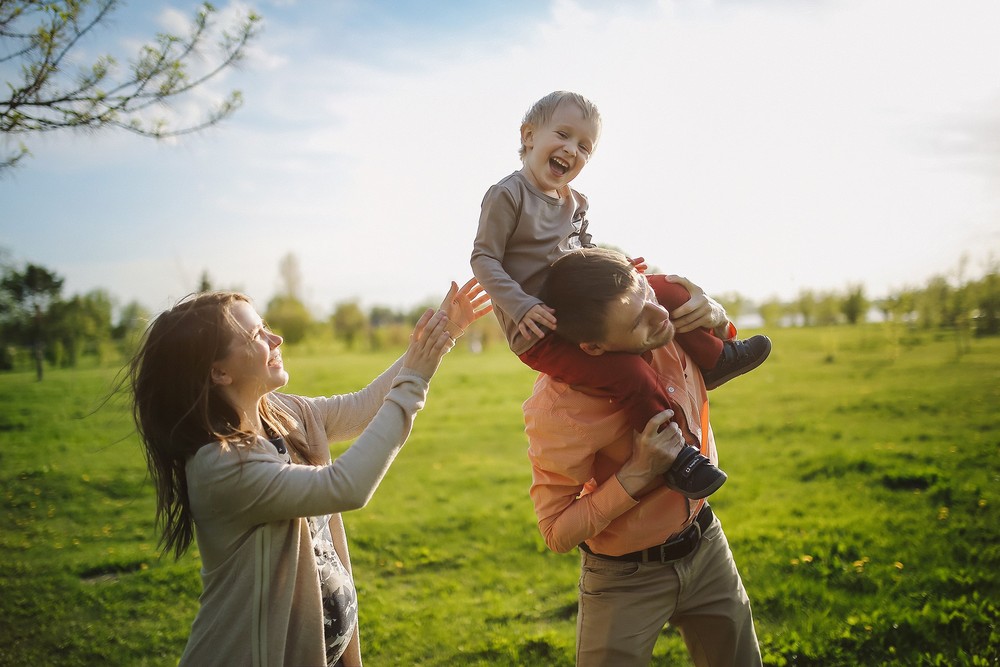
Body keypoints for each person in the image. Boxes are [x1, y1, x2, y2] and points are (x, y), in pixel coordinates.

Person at [127, 279, 491, 667]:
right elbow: (347, 487)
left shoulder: (283, 414)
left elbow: (364, 406)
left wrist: (442, 335)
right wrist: (413, 379)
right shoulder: (220, 465)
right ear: (219, 372)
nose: (276, 338)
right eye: (256, 334)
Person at [471, 90, 770, 500]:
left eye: (584, 146)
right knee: (626, 372)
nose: (571, 150)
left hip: (586, 302)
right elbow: (484, 258)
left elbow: (580, 251)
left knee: (665, 289)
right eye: (562, 134)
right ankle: (677, 456)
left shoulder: (575, 201)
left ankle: (715, 359)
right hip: (542, 329)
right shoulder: (508, 195)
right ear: (528, 136)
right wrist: (523, 306)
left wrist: (621, 266)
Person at [523, 247, 762, 667]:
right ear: (593, 347)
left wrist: (717, 315)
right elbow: (555, 531)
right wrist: (636, 475)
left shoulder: (671, 330)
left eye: (648, 297)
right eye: (637, 321)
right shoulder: (557, 409)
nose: (658, 316)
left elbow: (721, 343)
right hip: (622, 580)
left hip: (706, 545)